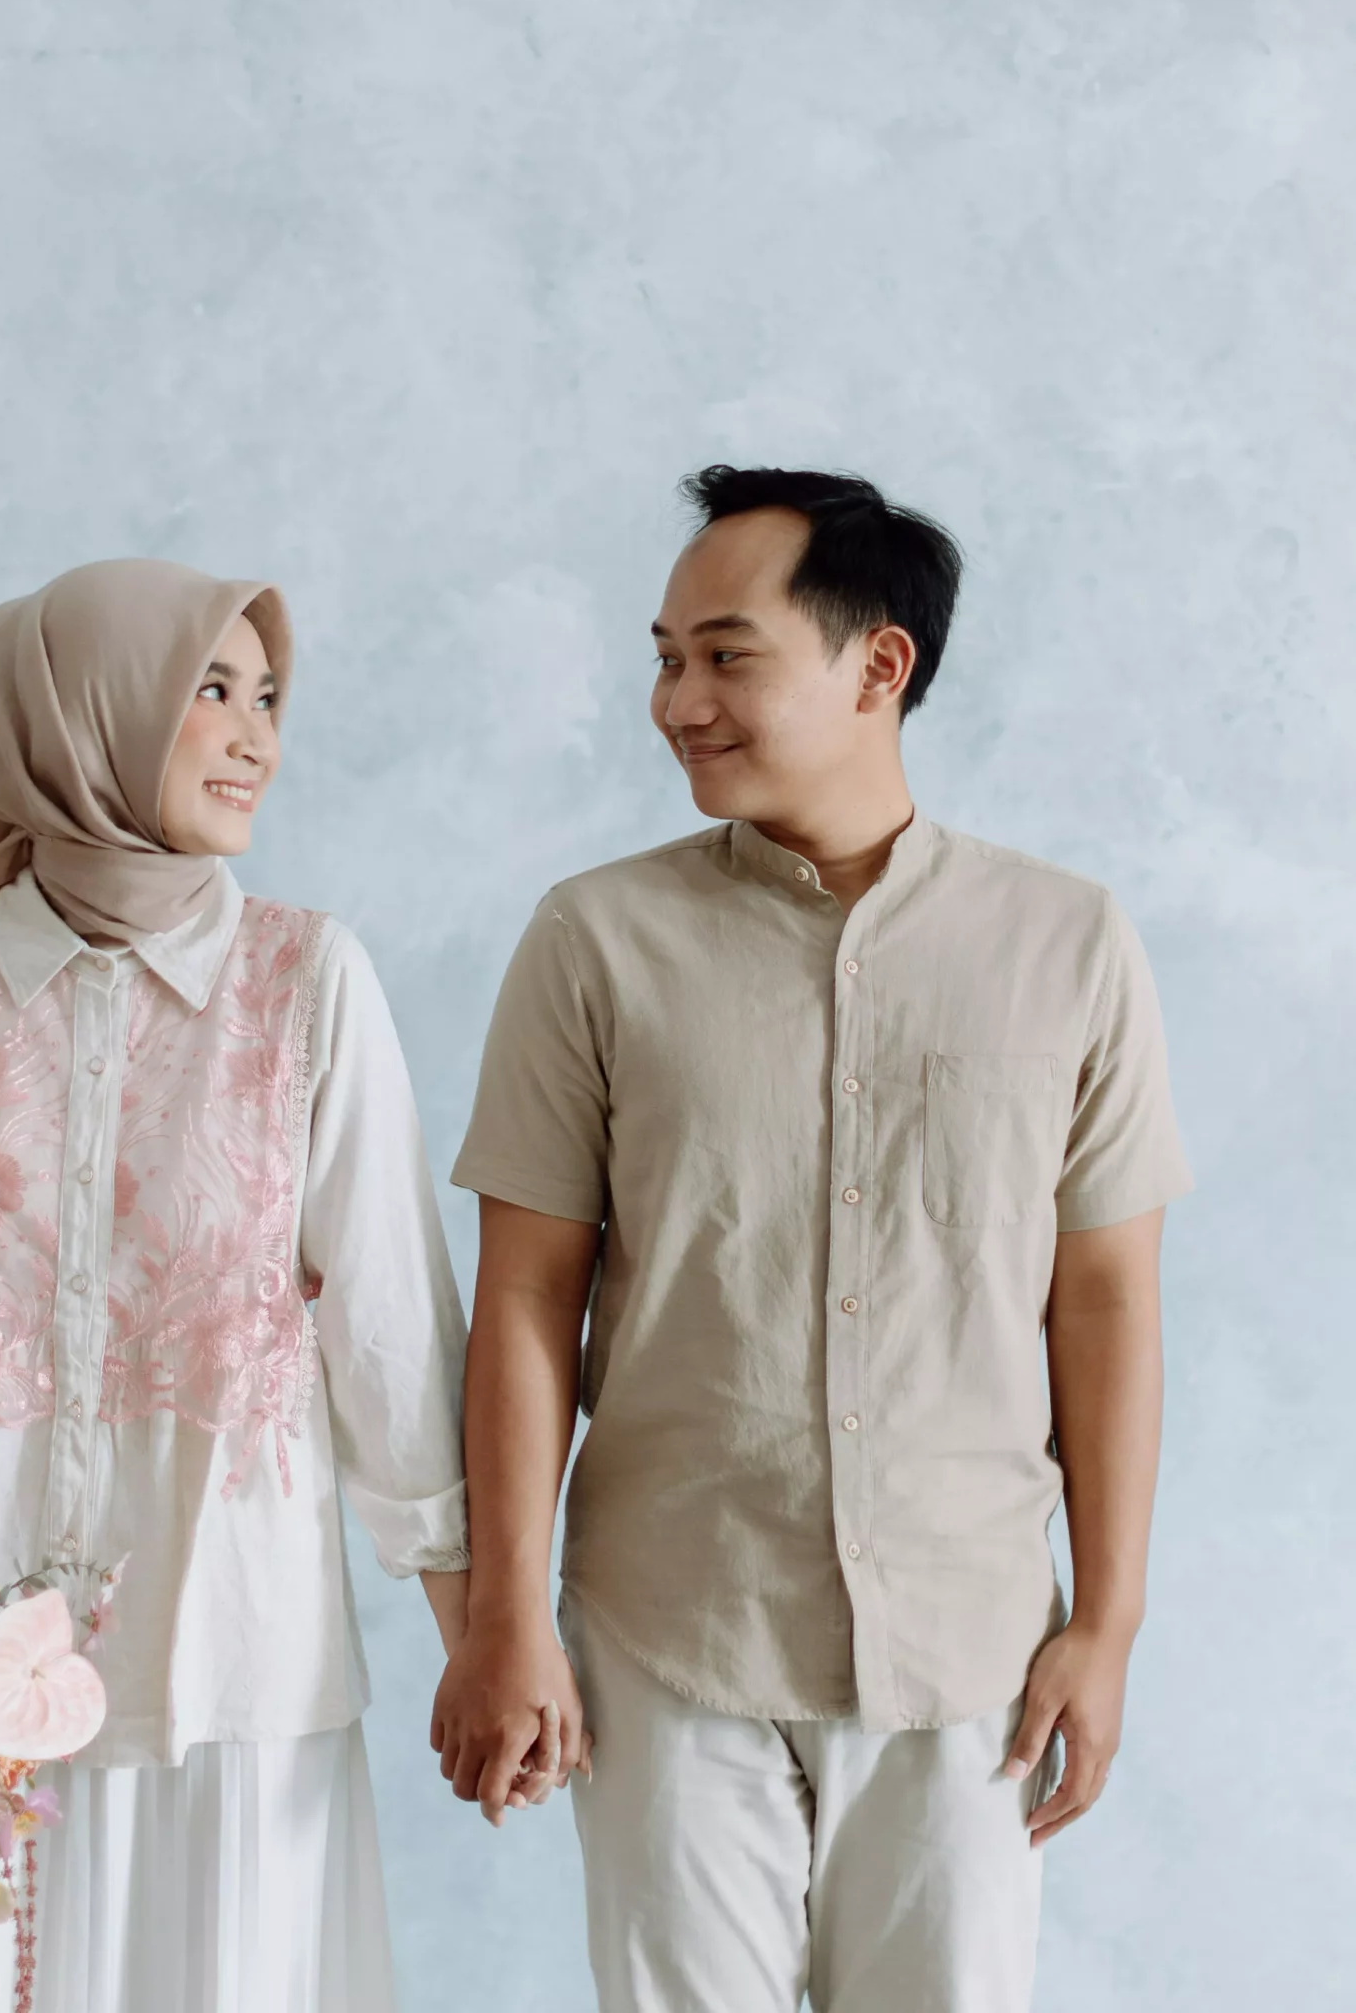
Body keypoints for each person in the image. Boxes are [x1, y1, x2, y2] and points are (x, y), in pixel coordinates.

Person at [433, 466, 1191, 2013]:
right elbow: (524, 1296)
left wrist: (1106, 1623)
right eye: (664, 659)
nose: (675, 704)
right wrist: (504, 1616)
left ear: (876, 665)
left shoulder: (1066, 943)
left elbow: (1105, 1301)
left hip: (968, 1649)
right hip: (667, 1629)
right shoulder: (593, 940)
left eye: (724, 656)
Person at [0, 558, 471, 2013]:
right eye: (209, 691)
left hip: (238, 1652)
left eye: (268, 697)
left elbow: (393, 1332)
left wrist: (478, 1638)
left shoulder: (305, 978)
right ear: (75, 721)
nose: (254, 737)